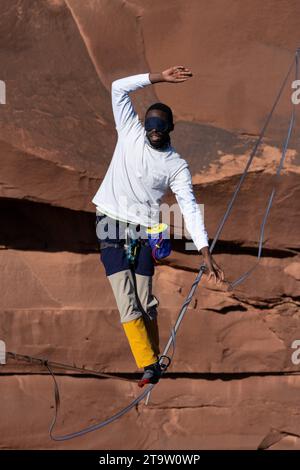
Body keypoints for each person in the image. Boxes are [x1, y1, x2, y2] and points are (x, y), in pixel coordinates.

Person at [92, 66, 224, 387]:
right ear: (143, 124)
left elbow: (189, 208)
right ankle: (149, 363)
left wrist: (204, 249)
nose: (153, 130)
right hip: (110, 221)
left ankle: (152, 356)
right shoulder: (129, 131)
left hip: (145, 229)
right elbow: (118, 87)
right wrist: (158, 78)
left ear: (170, 129)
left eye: (159, 126)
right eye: (150, 124)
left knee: (145, 299)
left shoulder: (176, 165)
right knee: (126, 297)